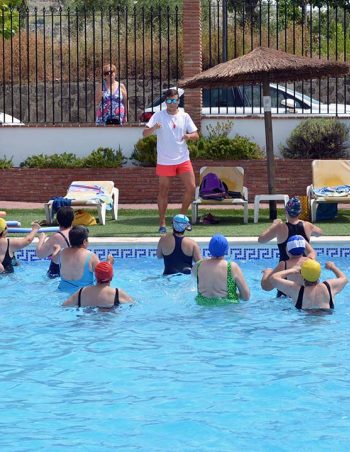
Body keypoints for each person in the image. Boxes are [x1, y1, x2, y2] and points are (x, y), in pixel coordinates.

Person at [143, 88, 199, 234]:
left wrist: (189, 136)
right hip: (165, 160)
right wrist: (154, 127)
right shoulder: (158, 116)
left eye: (174, 100)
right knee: (163, 191)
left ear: (178, 101)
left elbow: (196, 134)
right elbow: (144, 133)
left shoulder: (185, 116)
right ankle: (162, 223)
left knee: (191, 187)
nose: (172, 103)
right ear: (165, 101)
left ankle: (180, 219)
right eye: (169, 101)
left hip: (183, 158)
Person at [266, 259, 348, 311]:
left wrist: (292, 270)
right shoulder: (328, 286)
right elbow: (344, 279)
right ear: (319, 274)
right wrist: (333, 267)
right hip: (326, 323)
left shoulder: (296, 290)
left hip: (304, 324)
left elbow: (273, 278)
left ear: (302, 274)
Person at [258, 196, 322, 261]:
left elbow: (261, 240)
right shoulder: (308, 225)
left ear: (286, 211)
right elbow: (319, 233)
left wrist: (274, 225)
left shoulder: (280, 227)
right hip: (302, 267)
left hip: (284, 268)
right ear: (300, 212)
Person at [53, 225, 114, 293]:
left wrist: (57, 249)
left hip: (62, 291)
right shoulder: (91, 256)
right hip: (83, 295)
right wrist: (109, 263)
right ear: (84, 241)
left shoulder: (62, 252)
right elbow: (102, 276)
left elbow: (54, 260)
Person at [193, 234, 250, 305]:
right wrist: (235, 295)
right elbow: (246, 296)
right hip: (226, 307)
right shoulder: (231, 267)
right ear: (226, 250)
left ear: (210, 249)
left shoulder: (198, 265)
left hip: (203, 306)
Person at [62, 261, 134, 308]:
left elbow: (64, 306)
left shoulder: (82, 292)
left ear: (95, 276)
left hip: (86, 326)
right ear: (111, 277)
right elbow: (134, 304)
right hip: (109, 327)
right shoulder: (117, 293)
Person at [36, 206, 74, 278]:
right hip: (74, 270)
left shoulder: (57, 237)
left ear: (58, 220)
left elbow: (40, 254)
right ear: (72, 220)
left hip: (57, 272)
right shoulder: (77, 233)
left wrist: (42, 239)